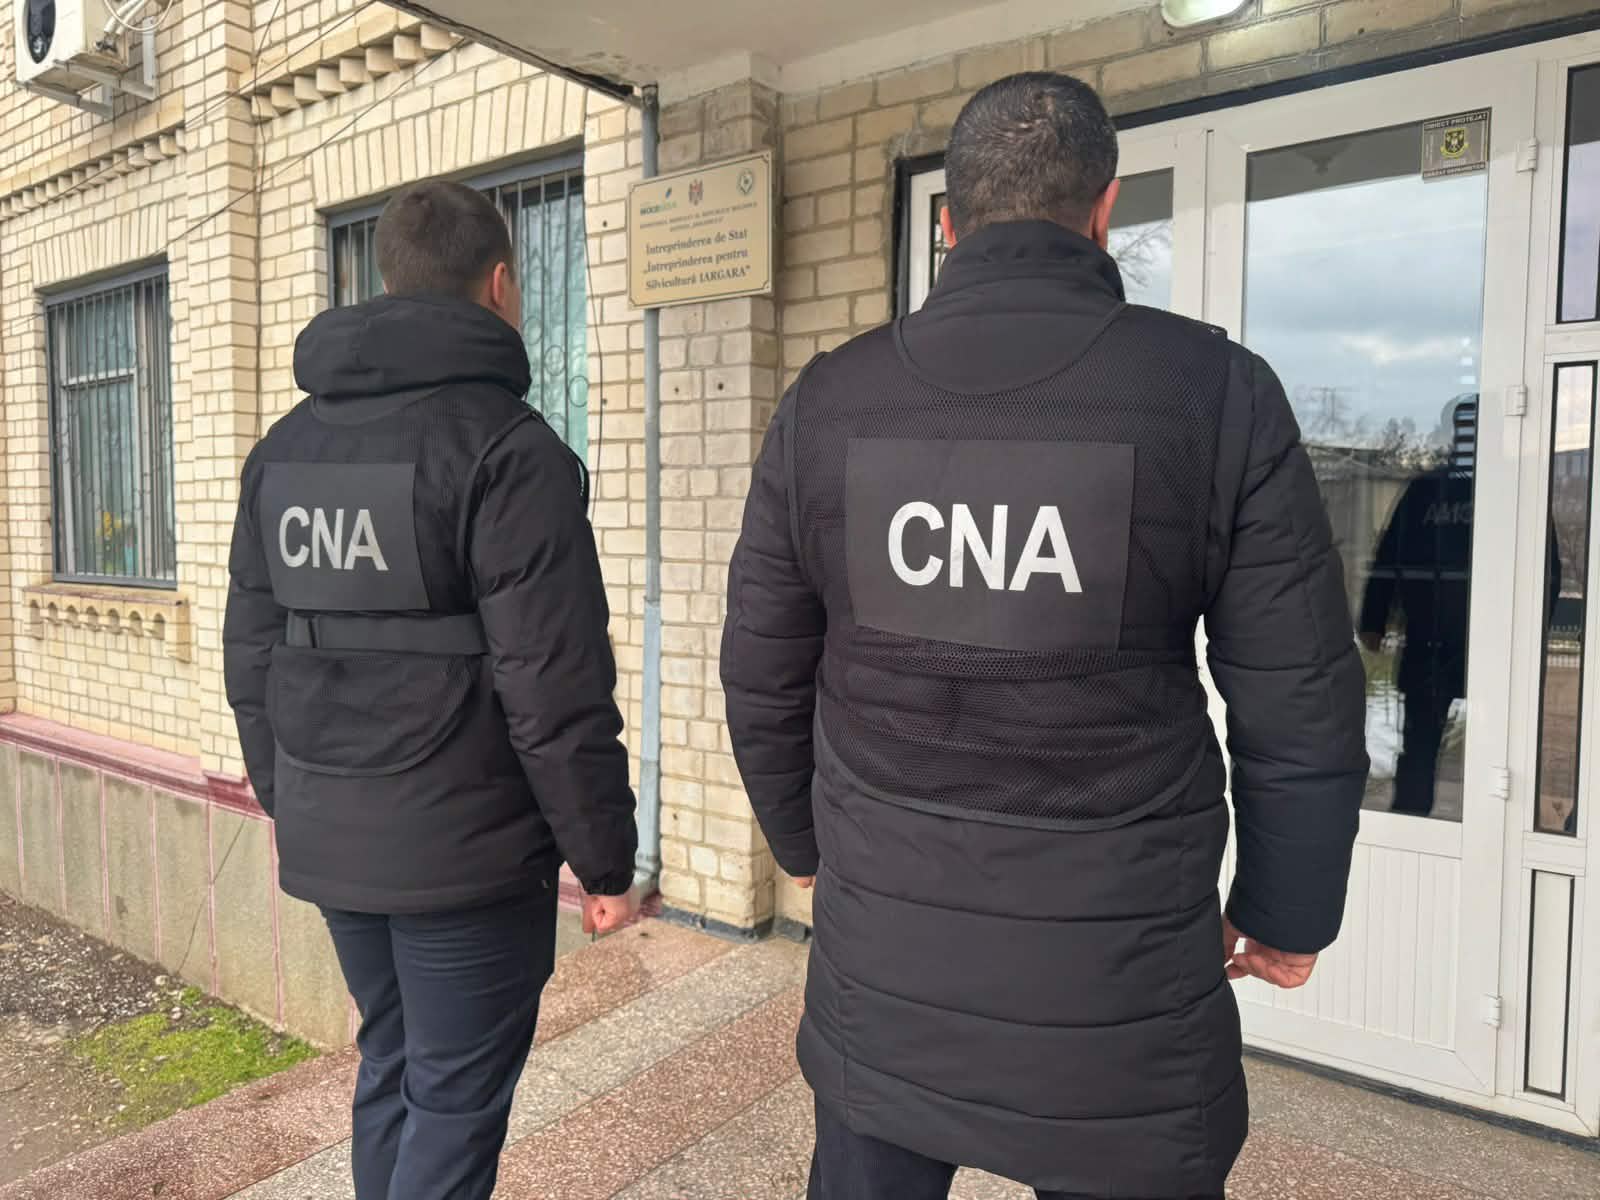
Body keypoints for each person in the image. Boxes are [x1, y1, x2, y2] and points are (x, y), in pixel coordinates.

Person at [721, 73, 1369, 1200]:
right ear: (1104, 208)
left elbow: (761, 669)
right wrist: (1287, 907)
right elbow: (1297, 693)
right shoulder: (1213, 393)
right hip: (1118, 994)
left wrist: (804, 847)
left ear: (947, 223)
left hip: (888, 966)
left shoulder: (826, 401)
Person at [223, 179, 638, 1200]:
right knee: (452, 1099)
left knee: (395, 1062)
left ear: (387, 281)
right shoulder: (506, 448)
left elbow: (252, 652)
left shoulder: (284, 449)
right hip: (467, 855)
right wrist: (604, 859)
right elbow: (555, 682)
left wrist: (290, 799)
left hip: (335, 829)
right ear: (498, 284)